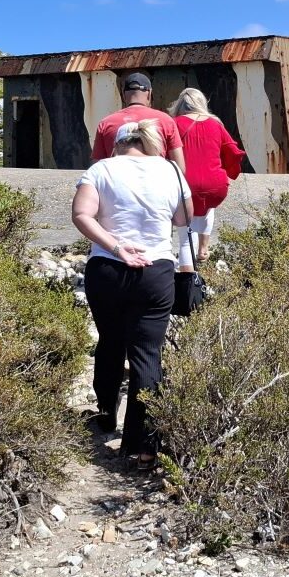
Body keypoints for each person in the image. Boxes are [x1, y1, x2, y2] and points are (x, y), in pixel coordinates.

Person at [72, 119, 191, 469]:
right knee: (147, 354)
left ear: (118, 144)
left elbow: (81, 215)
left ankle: (106, 414)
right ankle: (144, 447)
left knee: (110, 341)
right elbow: (184, 218)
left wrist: (116, 246)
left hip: (107, 269)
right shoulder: (171, 170)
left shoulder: (101, 170)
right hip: (156, 271)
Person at [167, 87, 246, 269]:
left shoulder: (174, 124)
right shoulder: (216, 124)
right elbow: (233, 151)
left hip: (186, 184)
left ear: (179, 105)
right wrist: (228, 171)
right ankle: (203, 249)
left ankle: (187, 264)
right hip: (215, 185)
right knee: (207, 207)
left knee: (186, 222)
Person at [91, 72, 187, 171]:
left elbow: (96, 167)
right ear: (149, 94)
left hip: (118, 179)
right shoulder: (166, 121)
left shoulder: (105, 123)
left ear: (123, 94)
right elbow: (180, 168)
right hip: (155, 179)